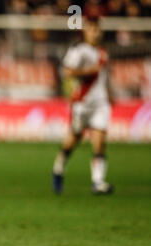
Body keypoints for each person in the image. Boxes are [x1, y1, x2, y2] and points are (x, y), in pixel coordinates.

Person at [52, 17, 114, 195]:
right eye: (92, 29)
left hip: (100, 104)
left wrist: (110, 93)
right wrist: (87, 72)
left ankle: (97, 182)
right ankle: (58, 170)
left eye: (98, 30)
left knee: (99, 142)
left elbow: (104, 76)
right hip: (82, 103)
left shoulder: (103, 52)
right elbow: (66, 71)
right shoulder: (78, 50)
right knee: (73, 139)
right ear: (86, 31)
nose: (96, 33)